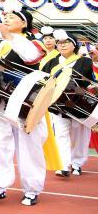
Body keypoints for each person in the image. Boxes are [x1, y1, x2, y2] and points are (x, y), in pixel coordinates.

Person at [0, 0, 49, 206]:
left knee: (30, 145)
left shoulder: (34, 41)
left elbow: (30, 57)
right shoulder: (0, 42)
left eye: (11, 17)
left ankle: (32, 189)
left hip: (25, 99)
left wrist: (10, 36)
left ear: (24, 22)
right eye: (5, 16)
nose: (6, 19)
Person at [41, 30, 96, 177]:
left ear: (74, 45)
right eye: (59, 43)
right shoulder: (51, 62)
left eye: (66, 42)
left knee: (80, 135)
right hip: (57, 103)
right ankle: (64, 165)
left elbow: (86, 81)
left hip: (79, 103)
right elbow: (45, 81)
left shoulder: (85, 61)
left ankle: (77, 163)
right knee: (61, 134)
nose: (62, 45)